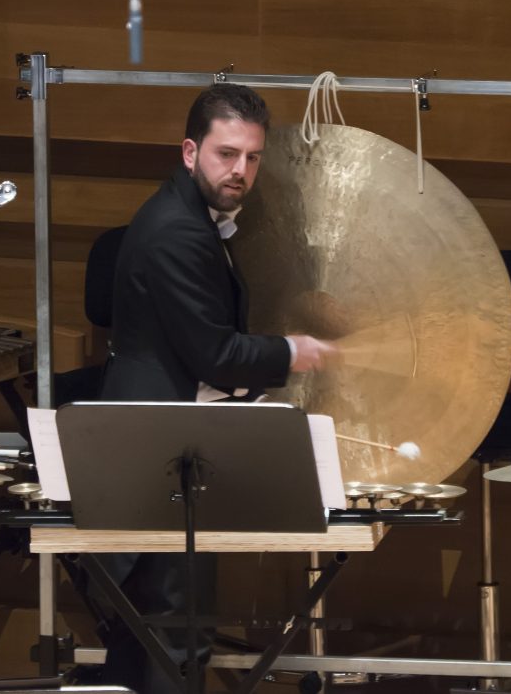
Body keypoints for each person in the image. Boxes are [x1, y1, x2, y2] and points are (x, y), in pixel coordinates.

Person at [94, 83, 335, 693]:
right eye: (226, 154)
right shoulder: (175, 231)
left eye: (252, 158)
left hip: (168, 441)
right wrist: (294, 353)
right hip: (158, 449)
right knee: (177, 631)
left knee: (156, 630)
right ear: (189, 151)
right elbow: (216, 355)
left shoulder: (193, 218)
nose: (240, 171)